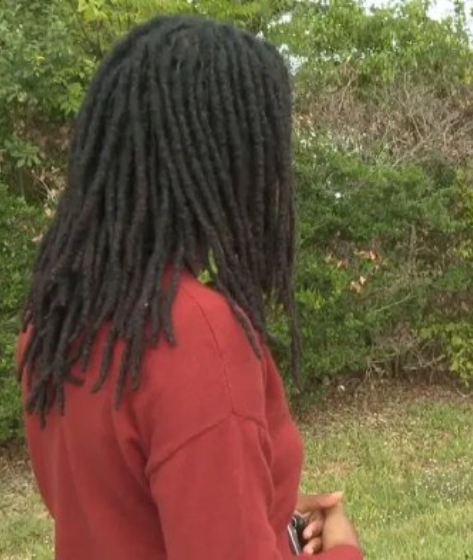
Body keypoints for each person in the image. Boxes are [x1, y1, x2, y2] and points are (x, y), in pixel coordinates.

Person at [16, 14, 362, 560]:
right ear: (231, 158)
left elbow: (128, 514)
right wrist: (342, 551)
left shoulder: (56, 324)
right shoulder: (197, 336)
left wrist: (265, 512)